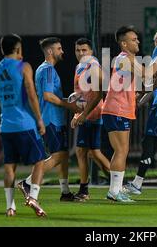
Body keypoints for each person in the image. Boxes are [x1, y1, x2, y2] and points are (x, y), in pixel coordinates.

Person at [18, 37, 81, 202]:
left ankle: (65, 192)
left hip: (56, 119)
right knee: (58, 156)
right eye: (59, 48)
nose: (62, 51)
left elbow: (53, 95)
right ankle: (27, 182)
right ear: (50, 51)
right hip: (51, 119)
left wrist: (68, 101)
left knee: (64, 155)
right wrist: (70, 106)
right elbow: (47, 96)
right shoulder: (47, 70)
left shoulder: (47, 69)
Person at [0, 34, 47, 217]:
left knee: (9, 167)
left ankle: (10, 207)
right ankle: (33, 197)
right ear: (17, 49)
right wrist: (39, 119)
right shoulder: (24, 67)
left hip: (6, 125)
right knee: (39, 161)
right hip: (25, 123)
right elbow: (31, 94)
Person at [124, 28, 157, 195]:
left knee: (149, 140)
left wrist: (139, 96)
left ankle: (138, 182)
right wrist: (141, 101)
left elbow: (150, 77)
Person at [102, 25, 142, 202]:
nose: (137, 41)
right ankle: (114, 191)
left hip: (117, 109)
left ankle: (115, 189)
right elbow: (148, 74)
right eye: (134, 39)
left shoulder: (128, 59)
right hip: (116, 109)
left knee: (120, 151)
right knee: (121, 150)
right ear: (124, 44)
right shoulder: (125, 58)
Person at [70, 38, 111, 201]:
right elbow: (81, 94)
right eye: (78, 50)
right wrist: (76, 113)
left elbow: (100, 92)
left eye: (84, 50)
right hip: (87, 113)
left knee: (82, 152)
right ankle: (118, 183)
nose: (81, 53)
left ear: (91, 52)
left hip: (93, 113)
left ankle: (84, 190)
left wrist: (84, 114)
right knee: (93, 153)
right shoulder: (79, 67)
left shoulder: (92, 65)